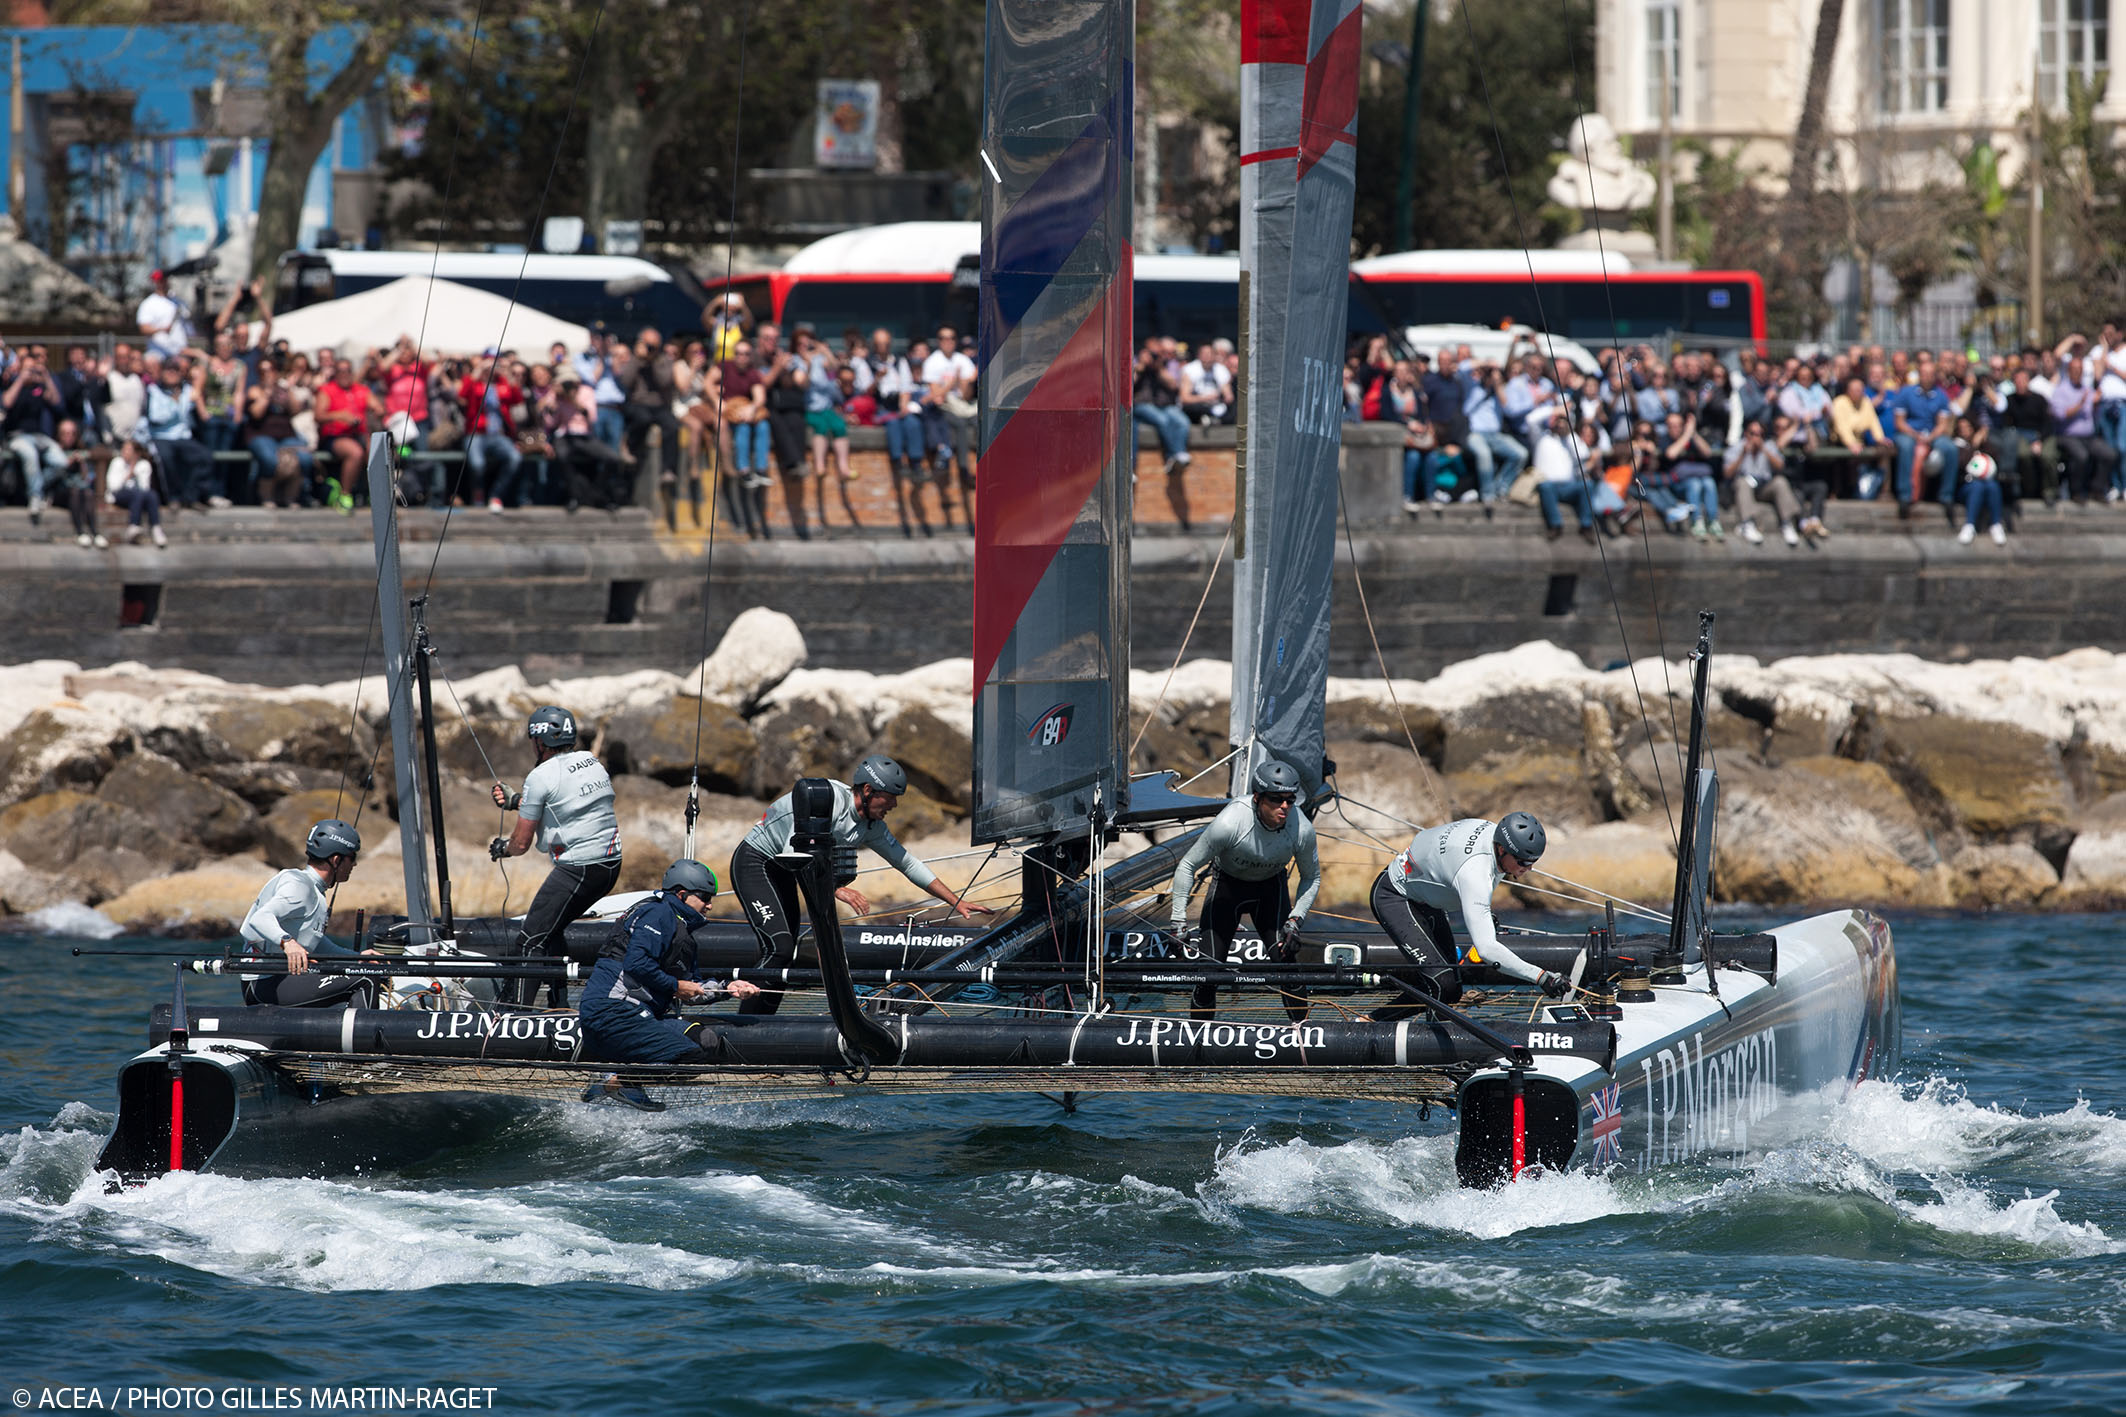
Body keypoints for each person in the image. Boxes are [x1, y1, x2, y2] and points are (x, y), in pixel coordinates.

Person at [731, 755, 990, 1014]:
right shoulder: (826, 801)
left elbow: (908, 864)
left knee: (787, 952)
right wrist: (837, 890)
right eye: (890, 796)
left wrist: (955, 901)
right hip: (757, 862)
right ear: (868, 790)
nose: (895, 804)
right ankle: (744, 1023)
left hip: (787, 870)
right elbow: (794, 855)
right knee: (779, 947)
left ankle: (763, 1026)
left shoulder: (871, 826)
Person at [576, 859, 762, 1109]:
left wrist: (728, 988)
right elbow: (636, 963)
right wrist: (676, 986)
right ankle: (622, 1084)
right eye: (705, 897)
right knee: (688, 1056)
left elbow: (690, 989)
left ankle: (614, 1085)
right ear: (682, 894)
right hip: (613, 1012)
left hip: (641, 1016)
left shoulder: (682, 931)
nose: (709, 904)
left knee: (704, 1043)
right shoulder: (658, 913)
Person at [1367, 812, 1569, 1021]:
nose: (1528, 868)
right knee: (1441, 986)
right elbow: (1487, 950)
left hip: (1425, 899)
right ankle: (1369, 1025)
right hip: (1394, 897)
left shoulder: (1496, 834)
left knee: (1452, 990)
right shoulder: (1475, 874)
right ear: (1501, 849)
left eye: (1532, 862)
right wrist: (1541, 977)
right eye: (1522, 862)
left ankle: (1423, 1032)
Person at [1166, 760, 1323, 1021]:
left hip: (1271, 891)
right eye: (1275, 799)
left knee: (1288, 968)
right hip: (1228, 889)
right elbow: (1187, 865)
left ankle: (1303, 1038)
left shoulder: (1301, 828)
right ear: (1258, 798)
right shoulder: (1230, 823)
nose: (1284, 806)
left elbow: (1311, 877)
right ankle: (1198, 1043)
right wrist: (1178, 921)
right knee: (1209, 974)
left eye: (1290, 799)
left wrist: (1296, 919)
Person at [488, 706, 623, 1007]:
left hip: (580, 869)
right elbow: (562, 799)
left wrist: (502, 848)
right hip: (610, 864)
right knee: (551, 930)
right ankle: (559, 1006)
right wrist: (516, 802)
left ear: (539, 741)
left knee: (530, 939)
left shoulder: (540, 776)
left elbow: (520, 843)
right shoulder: (591, 762)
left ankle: (513, 1015)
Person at [238, 819, 373, 1008]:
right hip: (265, 984)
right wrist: (288, 943)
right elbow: (259, 918)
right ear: (336, 860)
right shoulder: (301, 887)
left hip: (278, 981)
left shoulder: (311, 888)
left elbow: (319, 945)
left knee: (367, 970)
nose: (355, 864)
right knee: (366, 980)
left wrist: (358, 958)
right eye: (352, 857)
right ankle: (362, 1037)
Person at [105, 436, 166, 546]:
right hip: (119, 494)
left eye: (128, 450)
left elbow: (145, 488)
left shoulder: (144, 465)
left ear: (136, 453)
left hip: (138, 496)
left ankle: (156, 527)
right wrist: (128, 475)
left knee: (152, 495)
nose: (124, 452)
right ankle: (133, 525)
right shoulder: (117, 462)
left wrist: (135, 472)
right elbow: (114, 487)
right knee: (137, 494)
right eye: (123, 449)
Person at [135, 269, 194, 361]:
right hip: (158, 352)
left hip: (180, 350)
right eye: (160, 281)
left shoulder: (178, 301)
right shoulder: (148, 303)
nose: (163, 283)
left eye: (164, 280)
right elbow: (144, 328)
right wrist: (162, 329)